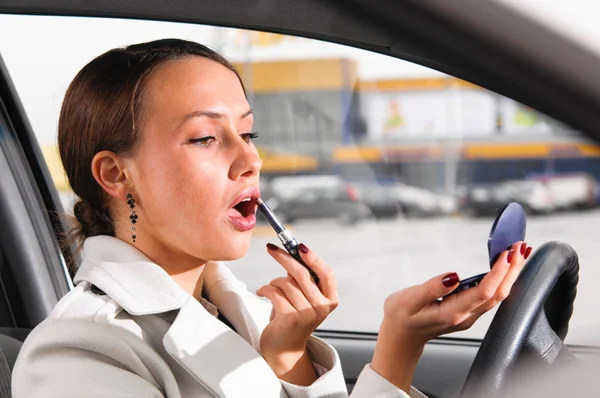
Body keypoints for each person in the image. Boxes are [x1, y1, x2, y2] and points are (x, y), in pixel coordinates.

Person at [11, 39, 530, 397]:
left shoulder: (249, 315)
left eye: (248, 134)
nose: (251, 159)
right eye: (206, 138)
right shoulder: (79, 353)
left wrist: (395, 342)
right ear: (116, 174)